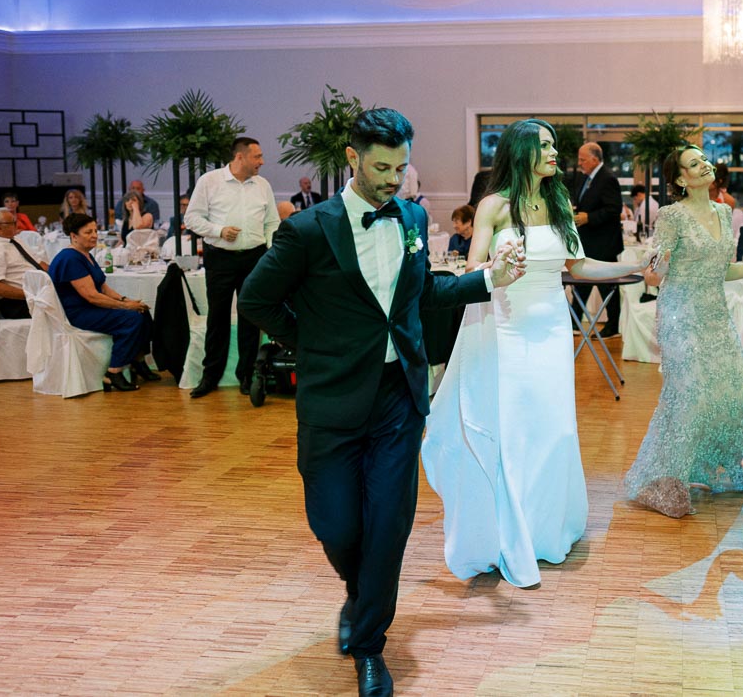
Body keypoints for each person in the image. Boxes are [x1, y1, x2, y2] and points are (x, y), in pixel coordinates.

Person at [238, 108, 523, 697]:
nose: (395, 179)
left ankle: (370, 645)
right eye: (382, 166)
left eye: (401, 166)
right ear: (353, 158)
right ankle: (358, 592)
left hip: (398, 399)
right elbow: (257, 301)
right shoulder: (309, 230)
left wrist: (489, 279)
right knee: (336, 525)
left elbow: (421, 295)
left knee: (388, 529)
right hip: (333, 403)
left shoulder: (414, 217)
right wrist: (317, 347)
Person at [424, 119, 650, 587]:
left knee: (555, 428)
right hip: (506, 328)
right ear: (522, 151)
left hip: (550, 331)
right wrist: (498, 265)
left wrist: (632, 266)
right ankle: (509, 533)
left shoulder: (559, 202)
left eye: (554, 146)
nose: (554, 153)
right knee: (515, 430)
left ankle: (546, 528)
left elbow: (578, 264)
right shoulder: (494, 205)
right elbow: (474, 269)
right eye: (545, 145)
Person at [624, 143, 743, 518]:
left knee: (731, 392)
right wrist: (654, 269)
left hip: (714, 313)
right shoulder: (672, 215)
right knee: (690, 396)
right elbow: (656, 270)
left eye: (703, 160)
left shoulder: (723, 210)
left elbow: (725, 270)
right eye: (693, 164)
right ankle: (666, 480)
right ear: (680, 179)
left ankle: (705, 468)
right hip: (680, 313)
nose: (703, 166)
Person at [183, 136, 280, 399]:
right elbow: (191, 218)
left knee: (250, 316)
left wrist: (271, 251)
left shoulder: (263, 185)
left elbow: (272, 222)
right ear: (240, 157)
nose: (262, 161)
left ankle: (247, 376)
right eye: (257, 156)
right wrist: (219, 230)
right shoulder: (209, 181)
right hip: (220, 258)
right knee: (218, 318)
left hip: (256, 258)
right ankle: (210, 377)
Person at [46, 212, 157, 392]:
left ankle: (138, 361)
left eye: (95, 230)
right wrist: (126, 307)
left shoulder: (85, 254)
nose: (95, 235)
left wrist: (126, 300)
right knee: (132, 318)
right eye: (88, 232)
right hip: (77, 313)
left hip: (89, 307)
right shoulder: (70, 258)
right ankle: (113, 371)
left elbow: (103, 287)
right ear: (74, 236)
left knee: (142, 311)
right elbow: (92, 296)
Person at [570, 141, 625, 338]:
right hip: (590, 242)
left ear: (594, 160)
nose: (579, 163)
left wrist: (588, 217)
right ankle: (574, 321)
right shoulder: (587, 178)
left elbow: (614, 209)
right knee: (582, 280)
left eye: (582, 160)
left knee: (607, 284)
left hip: (604, 243)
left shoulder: (607, 178)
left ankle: (613, 326)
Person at [0, 208, 48, 319]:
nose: (17, 226)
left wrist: (58, 277)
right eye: (12, 223)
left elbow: (38, 263)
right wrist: (31, 295)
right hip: (18, 303)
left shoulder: (14, 240)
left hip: (40, 292)